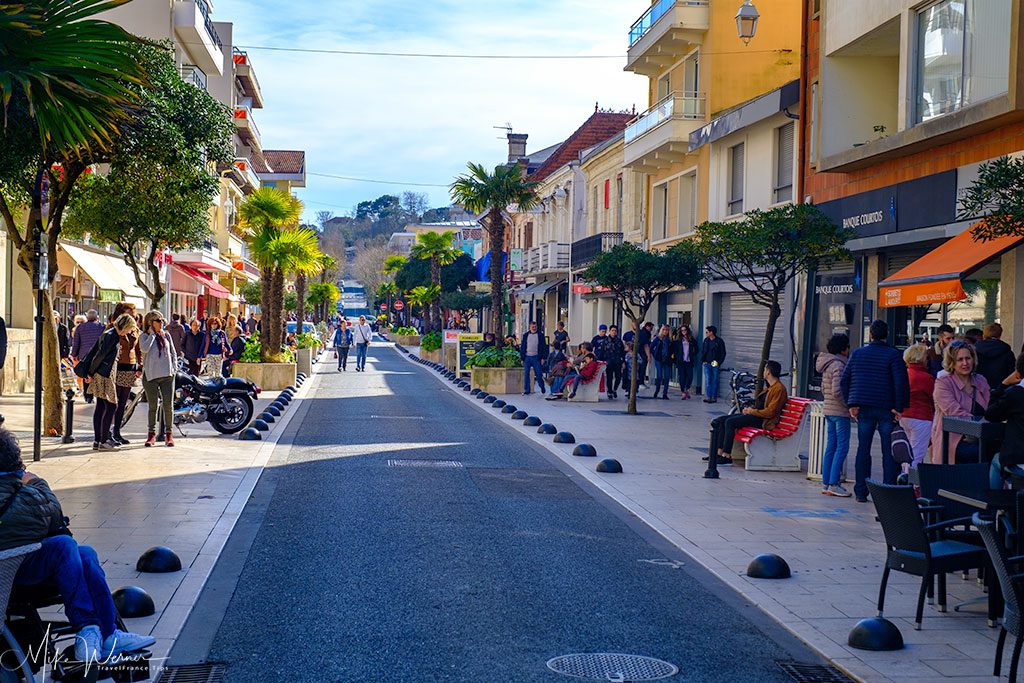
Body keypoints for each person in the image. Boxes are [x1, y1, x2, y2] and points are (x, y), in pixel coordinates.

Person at [0, 431, 158, 662]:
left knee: (85, 554)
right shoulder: (25, 490)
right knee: (64, 546)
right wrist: (36, 482)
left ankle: (107, 633)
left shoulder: (17, 488)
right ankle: (87, 626)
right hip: (9, 578)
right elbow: (53, 515)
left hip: (19, 564)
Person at [840, 320, 910, 503]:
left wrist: (851, 404)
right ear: (886, 334)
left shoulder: (857, 354)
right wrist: (899, 407)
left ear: (870, 334)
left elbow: (844, 380)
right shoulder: (894, 355)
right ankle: (887, 490)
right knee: (889, 450)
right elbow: (900, 382)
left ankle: (861, 491)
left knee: (863, 449)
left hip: (863, 406)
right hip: (886, 407)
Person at [712, 360, 788, 465]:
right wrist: (749, 410)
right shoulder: (769, 387)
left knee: (730, 422)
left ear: (768, 372)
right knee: (721, 420)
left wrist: (752, 411)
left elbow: (770, 412)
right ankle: (718, 453)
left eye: (765, 369)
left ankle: (727, 455)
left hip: (764, 421)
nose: (763, 371)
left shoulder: (779, 389)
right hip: (756, 416)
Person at [82, 314, 137, 450]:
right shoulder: (112, 335)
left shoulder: (110, 333)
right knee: (111, 406)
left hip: (104, 373)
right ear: (125, 326)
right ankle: (104, 439)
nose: (130, 332)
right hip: (104, 374)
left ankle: (98, 440)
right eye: (130, 328)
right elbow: (99, 355)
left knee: (101, 406)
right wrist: (91, 372)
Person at [932, 341, 991, 464]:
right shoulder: (943, 383)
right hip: (954, 442)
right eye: (960, 359)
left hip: (982, 439)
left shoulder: (980, 380)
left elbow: (991, 409)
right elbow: (954, 412)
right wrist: (981, 426)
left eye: (968, 358)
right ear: (952, 363)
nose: (965, 363)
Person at [816, 334, 852, 497]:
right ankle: (834, 483)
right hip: (840, 412)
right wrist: (848, 404)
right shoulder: (839, 365)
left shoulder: (827, 364)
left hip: (828, 410)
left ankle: (826, 481)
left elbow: (825, 389)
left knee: (831, 445)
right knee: (842, 446)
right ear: (843, 349)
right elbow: (837, 390)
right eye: (847, 346)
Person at [985, 353, 1024, 489]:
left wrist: (1003, 384)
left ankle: (994, 504)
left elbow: (990, 414)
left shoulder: (1015, 394)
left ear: (1018, 373)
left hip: (1019, 460)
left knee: (996, 461)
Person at [139, 311, 177, 448]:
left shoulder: (166, 335)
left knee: (168, 406)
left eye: (162, 320)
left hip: (167, 375)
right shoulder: (144, 336)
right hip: (151, 376)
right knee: (152, 407)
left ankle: (169, 434)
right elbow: (144, 349)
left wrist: (174, 369)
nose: (162, 322)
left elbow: (173, 352)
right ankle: (151, 434)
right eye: (158, 320)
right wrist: (152, 335)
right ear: (150, 323)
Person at [900, 343, 936, 468]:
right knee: (917, 453)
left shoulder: (903, 374)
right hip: (922, 417)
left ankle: (905, 478)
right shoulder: (926, 378)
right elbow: (934, 399)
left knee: (907, 453)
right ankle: (913, 483)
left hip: (903, 416)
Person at [110, 310, 142, 446]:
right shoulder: (114, 331)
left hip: (130, 367)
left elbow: (138, 349)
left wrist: (140, 366)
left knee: (123, 402)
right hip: (118, 367)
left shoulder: (135, 331)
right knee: (114, 402)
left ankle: (117, 431)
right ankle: (109, 431)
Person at [71, 310, 105, 404]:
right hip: (98, 355)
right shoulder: (101, 327)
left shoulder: (80, 328)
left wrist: (74, 354)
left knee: (86, 375)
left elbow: (76, 343)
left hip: (84, 355)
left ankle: (88, 396)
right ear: (96, 317)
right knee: (97, 374)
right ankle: (98, 394)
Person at [975, 323, 1016, 392]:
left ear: (984, 335)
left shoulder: (974, 351)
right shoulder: (1007, 352)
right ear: (1000, 335)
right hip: (1001, 390)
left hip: (978, 390)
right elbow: (1011, 374)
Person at [519, 321, 548, 396]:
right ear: (530, 327)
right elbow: (523, 347)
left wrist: (543, 358)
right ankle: (527, 390)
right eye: (532, 327)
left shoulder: (540, 335)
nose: (534, 328)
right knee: (526, 374)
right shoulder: (526, 335)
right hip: (527, 357)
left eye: (535, 327)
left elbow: (543, 347)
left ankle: (542, 386)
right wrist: (522, 358)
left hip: (536, 357)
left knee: (538, 374)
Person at [700, 325, 727, 404]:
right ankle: (708, 397)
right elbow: (703, 351)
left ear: (711, 332)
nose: (706, 333)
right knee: (708, 380)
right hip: (707, 363)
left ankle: (714, 397)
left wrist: (719, 362)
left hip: (715, 363)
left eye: (707, 332)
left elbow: (723, 353)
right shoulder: (706, 341)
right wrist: (703, 361)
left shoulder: (719, 341)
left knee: (715, 380)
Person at [674, 325, 698, 400]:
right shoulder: (679, 340)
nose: (684, 331)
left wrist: (693, 354)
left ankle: (687, 389)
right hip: (681, 361)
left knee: (690, 376)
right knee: (682, 377)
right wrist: (677, 357)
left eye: (685, 330)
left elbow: (697, 348)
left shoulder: (691, 340)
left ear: (687, 330)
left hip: (689, 361)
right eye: (682, 330)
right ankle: (683, 392)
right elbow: (675, 350)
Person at [649, 325, 673, 400]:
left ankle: (665, 393)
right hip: (659, 359)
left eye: (667, 330)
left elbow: (673, 350)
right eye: (664, 330)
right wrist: (655, 355)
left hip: (667, 360)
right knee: (659, 376)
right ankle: (657, 390)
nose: (665, 331)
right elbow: (651, 347)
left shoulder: (670, 340)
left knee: (666, 377)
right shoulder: (658, 339)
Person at [637, 322, 654, 389]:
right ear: (647, 326)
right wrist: (648, 356)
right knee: (642, 368)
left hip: (641, 353)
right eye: (651, 327)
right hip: (642, 353)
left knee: (642, 368)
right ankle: (640, 382)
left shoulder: (645, 333)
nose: (652, 329)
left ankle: (640, 382)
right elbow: (645, 345)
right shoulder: (644, 333)